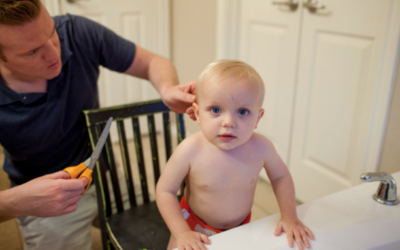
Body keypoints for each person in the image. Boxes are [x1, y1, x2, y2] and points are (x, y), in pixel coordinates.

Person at [0, 0, 195, 249]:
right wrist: (14, 202)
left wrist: (167, 89)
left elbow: (153, 63)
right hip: (40, 199)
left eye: (51, 33)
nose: (53, 53)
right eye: (31, 52)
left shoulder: (76, 32)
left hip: (104, 175)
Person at [156, 60, 315, 250]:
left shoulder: (262, 148)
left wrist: (289, 216)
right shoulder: (190, 150)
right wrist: (181, 233)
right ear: (197, 113)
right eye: (215, 110)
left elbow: (281, 177)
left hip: (241, 228)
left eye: (242, 111)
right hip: (191, 225)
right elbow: (165, 191)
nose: (229, 122)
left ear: (258, 118)